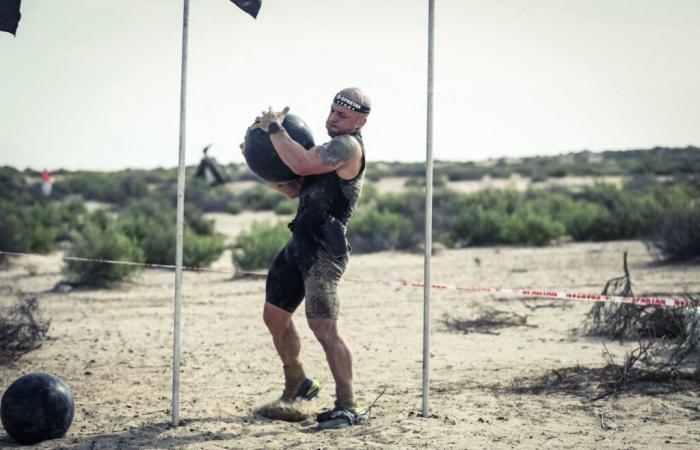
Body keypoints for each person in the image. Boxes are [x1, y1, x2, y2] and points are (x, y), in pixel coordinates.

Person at [249, 87, 371, 429]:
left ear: (360, 120)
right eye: (332, 111)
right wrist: (261, 161)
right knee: (274, 317)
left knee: (324, 328)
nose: (333, 119)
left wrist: (275, 128)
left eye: (342, 115)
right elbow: (293, 186)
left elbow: (301, 162)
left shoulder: (348, 147)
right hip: (298, 245)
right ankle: (297, 383)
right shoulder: (324, 150)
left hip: (324, 253)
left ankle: (349, 405)